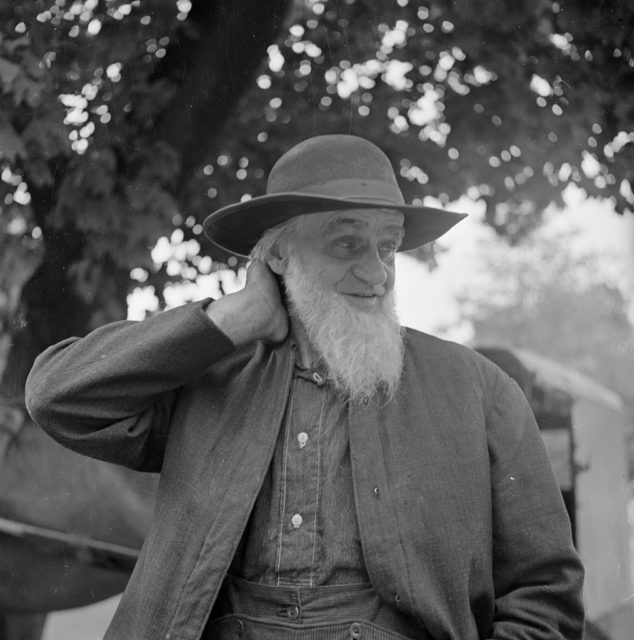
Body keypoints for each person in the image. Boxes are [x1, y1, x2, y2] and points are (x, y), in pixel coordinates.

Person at [25, 134, 584, 640]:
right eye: (347, 245)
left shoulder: (479, 389)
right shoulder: (209, 379)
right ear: (276, 256)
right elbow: (59, 398)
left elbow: (544, 596)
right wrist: (238, 315)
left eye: (386, 246)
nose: (378, 273)